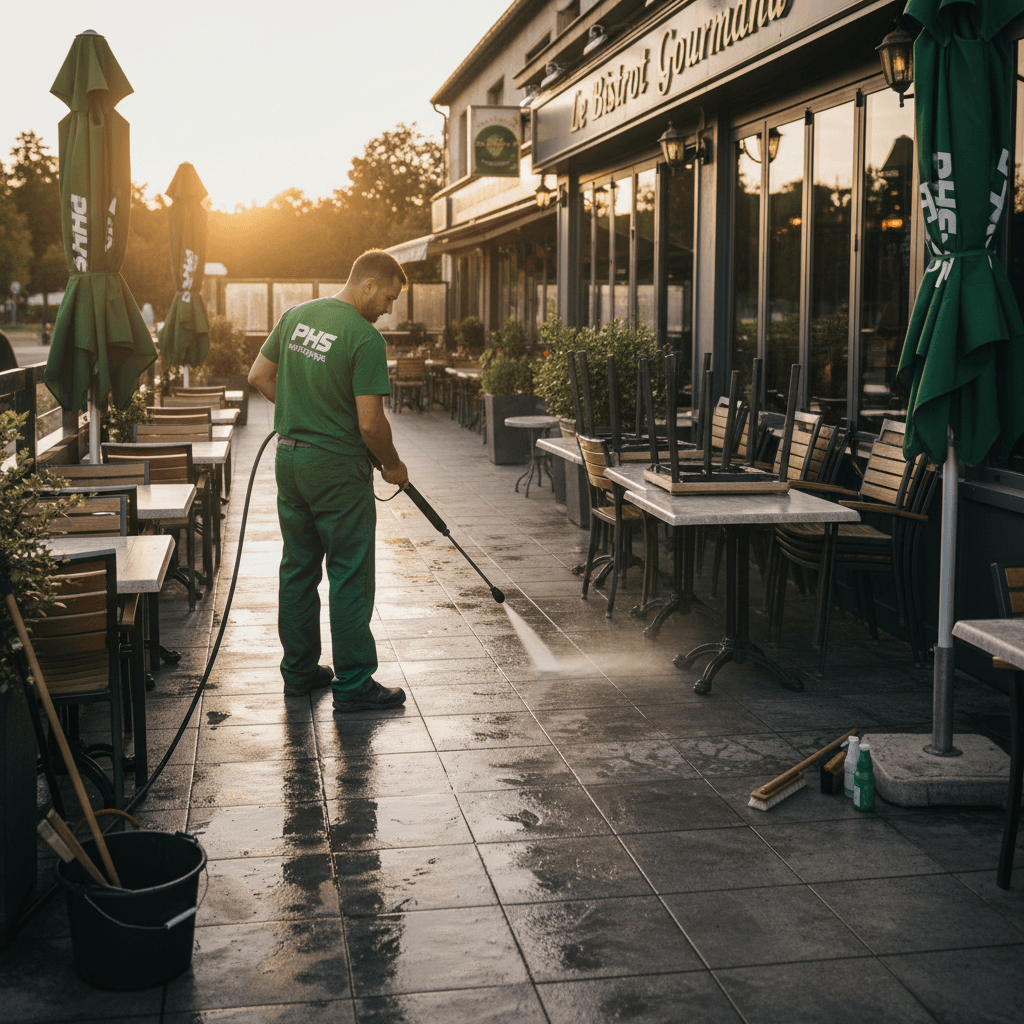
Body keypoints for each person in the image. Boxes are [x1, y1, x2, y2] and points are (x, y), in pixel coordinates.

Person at [248, 250, 410, 712]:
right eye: (390, 297)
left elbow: (259, 375)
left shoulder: (296, 316)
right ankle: (355, 683)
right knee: (349, 573)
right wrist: (394, 466)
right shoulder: (364, 338)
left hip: (290, 461)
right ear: (369, 285)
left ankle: (299, 673)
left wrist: (302, 414)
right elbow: (372, 426)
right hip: (337, 471)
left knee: (297, 568)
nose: (390, 309)